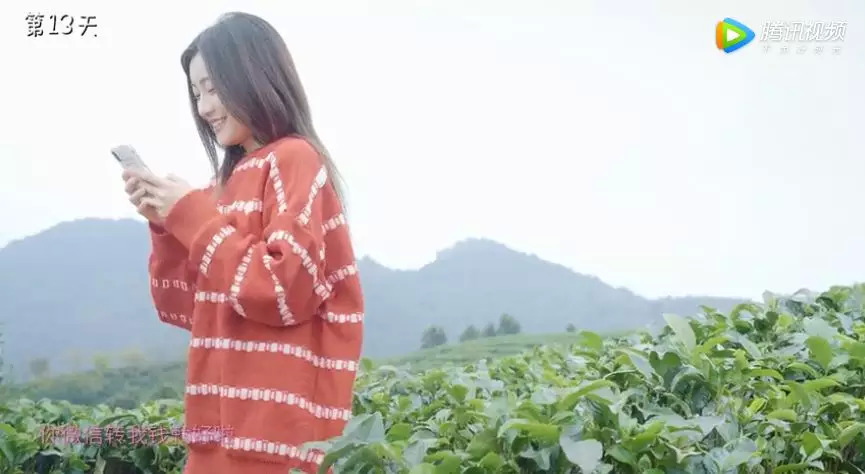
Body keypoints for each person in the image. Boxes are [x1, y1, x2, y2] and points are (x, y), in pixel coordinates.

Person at [121, 12, 364, 474]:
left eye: (213, 88)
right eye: (196, 94)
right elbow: (186, 309)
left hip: (275, 447)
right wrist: (167, 225)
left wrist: (191, 216)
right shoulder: (222, 187)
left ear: (254, 77)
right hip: (213, 441)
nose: (204, 107)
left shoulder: (294, 159)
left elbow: (283, 291)